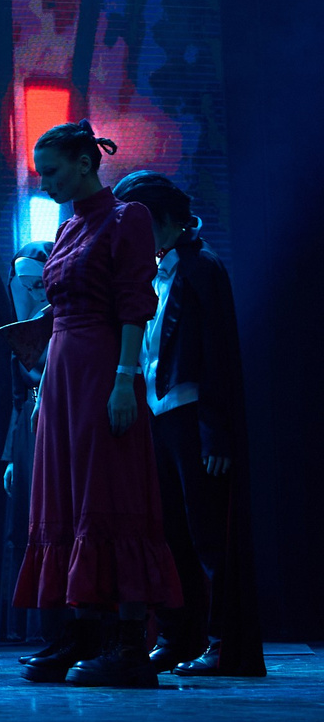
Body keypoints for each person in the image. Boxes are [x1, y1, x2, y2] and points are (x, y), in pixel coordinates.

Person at [7, 122, 179, 688]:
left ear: (85, 163)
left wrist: (125, 379)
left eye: (53, 171)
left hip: (102, 369)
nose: (46, 183)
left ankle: (128, 645)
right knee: (69, 496)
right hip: (62, 375)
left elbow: (133, 305)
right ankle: (84, 632)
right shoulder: (67, 228)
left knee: (111, 491)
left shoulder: (127, 218)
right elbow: (62, 306)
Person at [113, 171, 264, 677]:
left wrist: (215, 432)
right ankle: (180, 636)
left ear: (163, 220)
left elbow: (219, 354)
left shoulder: (202, 267)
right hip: (160, 417)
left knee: (207, 535)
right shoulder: (157, 271)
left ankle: (221, 642)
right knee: (170, 533)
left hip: (193, 416)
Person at [0, 240, 53, 645]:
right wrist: (10, 457)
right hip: (26, 429)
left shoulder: (61, 318)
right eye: (24, 284)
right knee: (21, 523)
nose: (33, 292)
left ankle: (51, 623)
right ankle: (24, 623)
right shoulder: (20, 321)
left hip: (55, 418)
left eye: (39, 283)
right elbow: (16, 398)